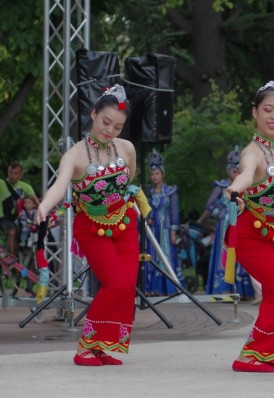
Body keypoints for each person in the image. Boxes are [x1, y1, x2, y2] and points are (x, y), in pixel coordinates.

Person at [36, 84, 145, 366]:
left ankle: (101, 346)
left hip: (124, 222)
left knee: (127, 285)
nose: (109, 130)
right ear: (93, 113)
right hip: (91, 226)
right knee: (116, 282)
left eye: (117, 127)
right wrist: (45, 206)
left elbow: (129, 180)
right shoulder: (75, 155)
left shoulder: (127, 148)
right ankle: (86, 346)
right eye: (105, 122)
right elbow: (60, 185)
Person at [225, 76, 274, 372]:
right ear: (255, 112)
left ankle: (268, 353)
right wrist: (234, 189)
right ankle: (249, 356)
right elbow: (244, 175)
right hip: (251, 236)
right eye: (268, 110)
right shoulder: (252, 154)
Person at [201, 146, 254, 299]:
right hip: (225, 225)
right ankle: (224, 288)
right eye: (234, 170)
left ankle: (244, 291)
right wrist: (218, 211)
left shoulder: (247, 186)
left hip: (242, 225)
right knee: (224, 256)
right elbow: (210, 204)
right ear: (228, 170)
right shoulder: (222, 186)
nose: (236, 173)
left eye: (239, 170)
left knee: (243, 255)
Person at [144, 149, 184, 296]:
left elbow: (174, 212)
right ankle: (152, 288)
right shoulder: (148, 192)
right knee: (152, 255)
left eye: (157, 173)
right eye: (152, 174)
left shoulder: (170, 191)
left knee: (167, 256)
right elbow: (145, 210)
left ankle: (169, 288)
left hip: (166, 229)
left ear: (163, 174)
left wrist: (174, 230)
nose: (154, 176)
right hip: (153, 229)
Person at [0, 161, 38, 256]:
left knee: (21, 234)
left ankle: (20, 259)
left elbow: (37, 204)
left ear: (21, 175)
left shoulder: (26, 187)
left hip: (20, 218)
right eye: (10, 172)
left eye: (16, 173)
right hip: (3, 217)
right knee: (12, 231)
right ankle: (11, 258)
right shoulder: (1, 184)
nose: (12, 176)